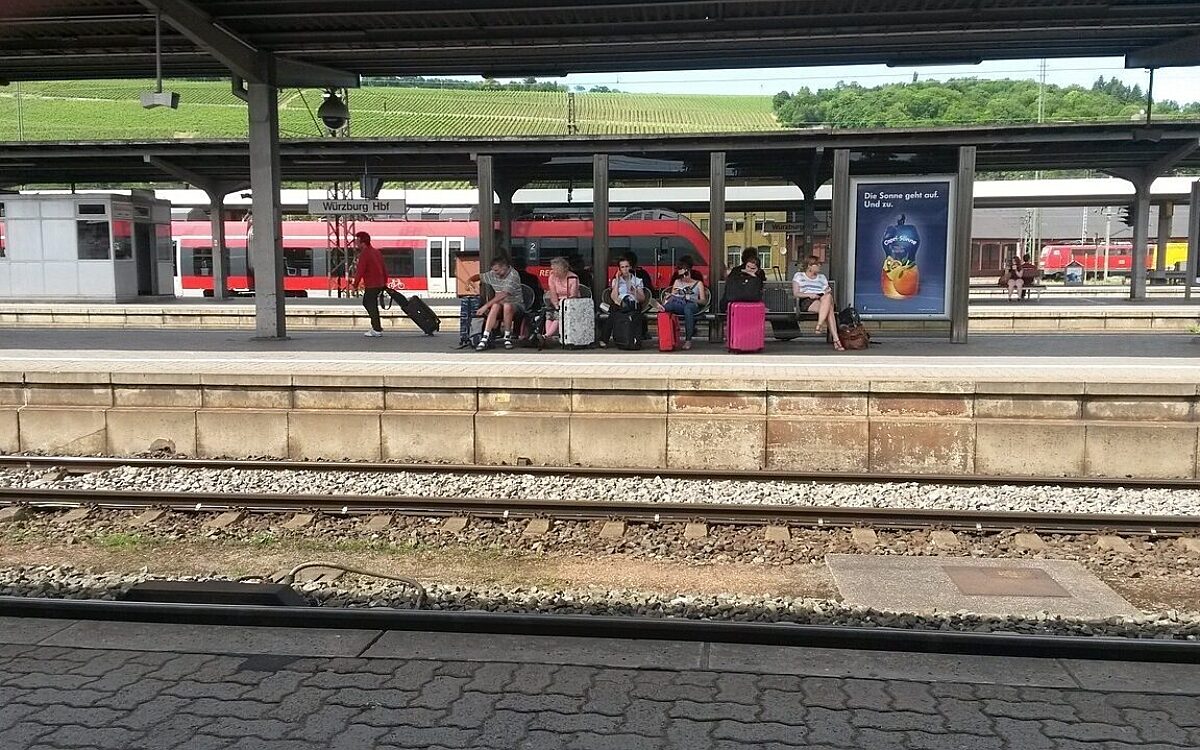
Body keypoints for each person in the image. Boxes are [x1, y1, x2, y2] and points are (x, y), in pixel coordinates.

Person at [349, 231, 406, 338]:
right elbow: (384, 268)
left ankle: (376, 329)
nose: (355, 243)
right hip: (379, 283)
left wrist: (355, 285)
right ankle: (376, 327)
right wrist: (384, 281)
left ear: (362, 242)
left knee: (370, 304)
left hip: (372, 284)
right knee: (369, 303)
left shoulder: (364, 254)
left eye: (357, 241)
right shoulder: (376, 252)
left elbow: (360, 271)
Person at [792, 255, 843, 351]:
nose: (820, 266)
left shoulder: (822, 277)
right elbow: (796, 293)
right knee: (829, 309)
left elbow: (826, 290)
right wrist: (811, 294)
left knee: (827, 297)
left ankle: (819, 325)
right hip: (807, 299)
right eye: (817, 264)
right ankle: (836, 340)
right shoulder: (799, 276)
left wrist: (827, 290)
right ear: (809, 266)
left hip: (822, 298)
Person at [475, 255, 525, 350]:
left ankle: (507, 336)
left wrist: (485, 306)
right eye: (493, 270)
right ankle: (485, 336)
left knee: (507, 305)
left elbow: (503, 294)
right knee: (495, 306)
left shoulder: (513, 275)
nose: (495, 273)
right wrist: (469, 281)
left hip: (516, 305)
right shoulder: (493, 273)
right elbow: (479, 276)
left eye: (497, 270)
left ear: (505, 267)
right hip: (500, 304)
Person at [599, 256, 647, 347]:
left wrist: (634, 291)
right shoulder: (616, 281)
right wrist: (617, 280)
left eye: (627, 266)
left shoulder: (637, 280)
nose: (625, 269)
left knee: (614, 314)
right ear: (619, 269)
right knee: (614, 314)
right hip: (620, 304)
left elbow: (642, 298)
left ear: (630, 267)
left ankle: (604, 339)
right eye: (622, 267)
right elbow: (614, 297)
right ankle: (611, 339)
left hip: (633, 304)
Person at [662, 263, 708, 350]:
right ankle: (667, 338)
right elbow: (673, 295)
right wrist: (671, 295)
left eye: (685, 274)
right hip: (679, 303)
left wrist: (691, 298)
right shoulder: (677, 282)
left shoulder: (698, 283)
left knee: (688, 309)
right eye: (681, 276)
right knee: (668, 306)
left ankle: (688, 340)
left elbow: (703, 301)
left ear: (689, 272)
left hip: (692, 304)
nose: (684, 277)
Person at [544, 256, 580, 339]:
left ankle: (546, 336)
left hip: (570, 302)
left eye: (555, 269)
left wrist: (562, 306)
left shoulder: (573, 278)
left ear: (562, 269)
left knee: (558, 315)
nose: (553, 271)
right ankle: (547, 335)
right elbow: (553, 293)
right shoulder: (552, 277)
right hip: (557, 301)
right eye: (552, 269)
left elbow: (573, 295)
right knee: (549, 314)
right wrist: (556, 305)